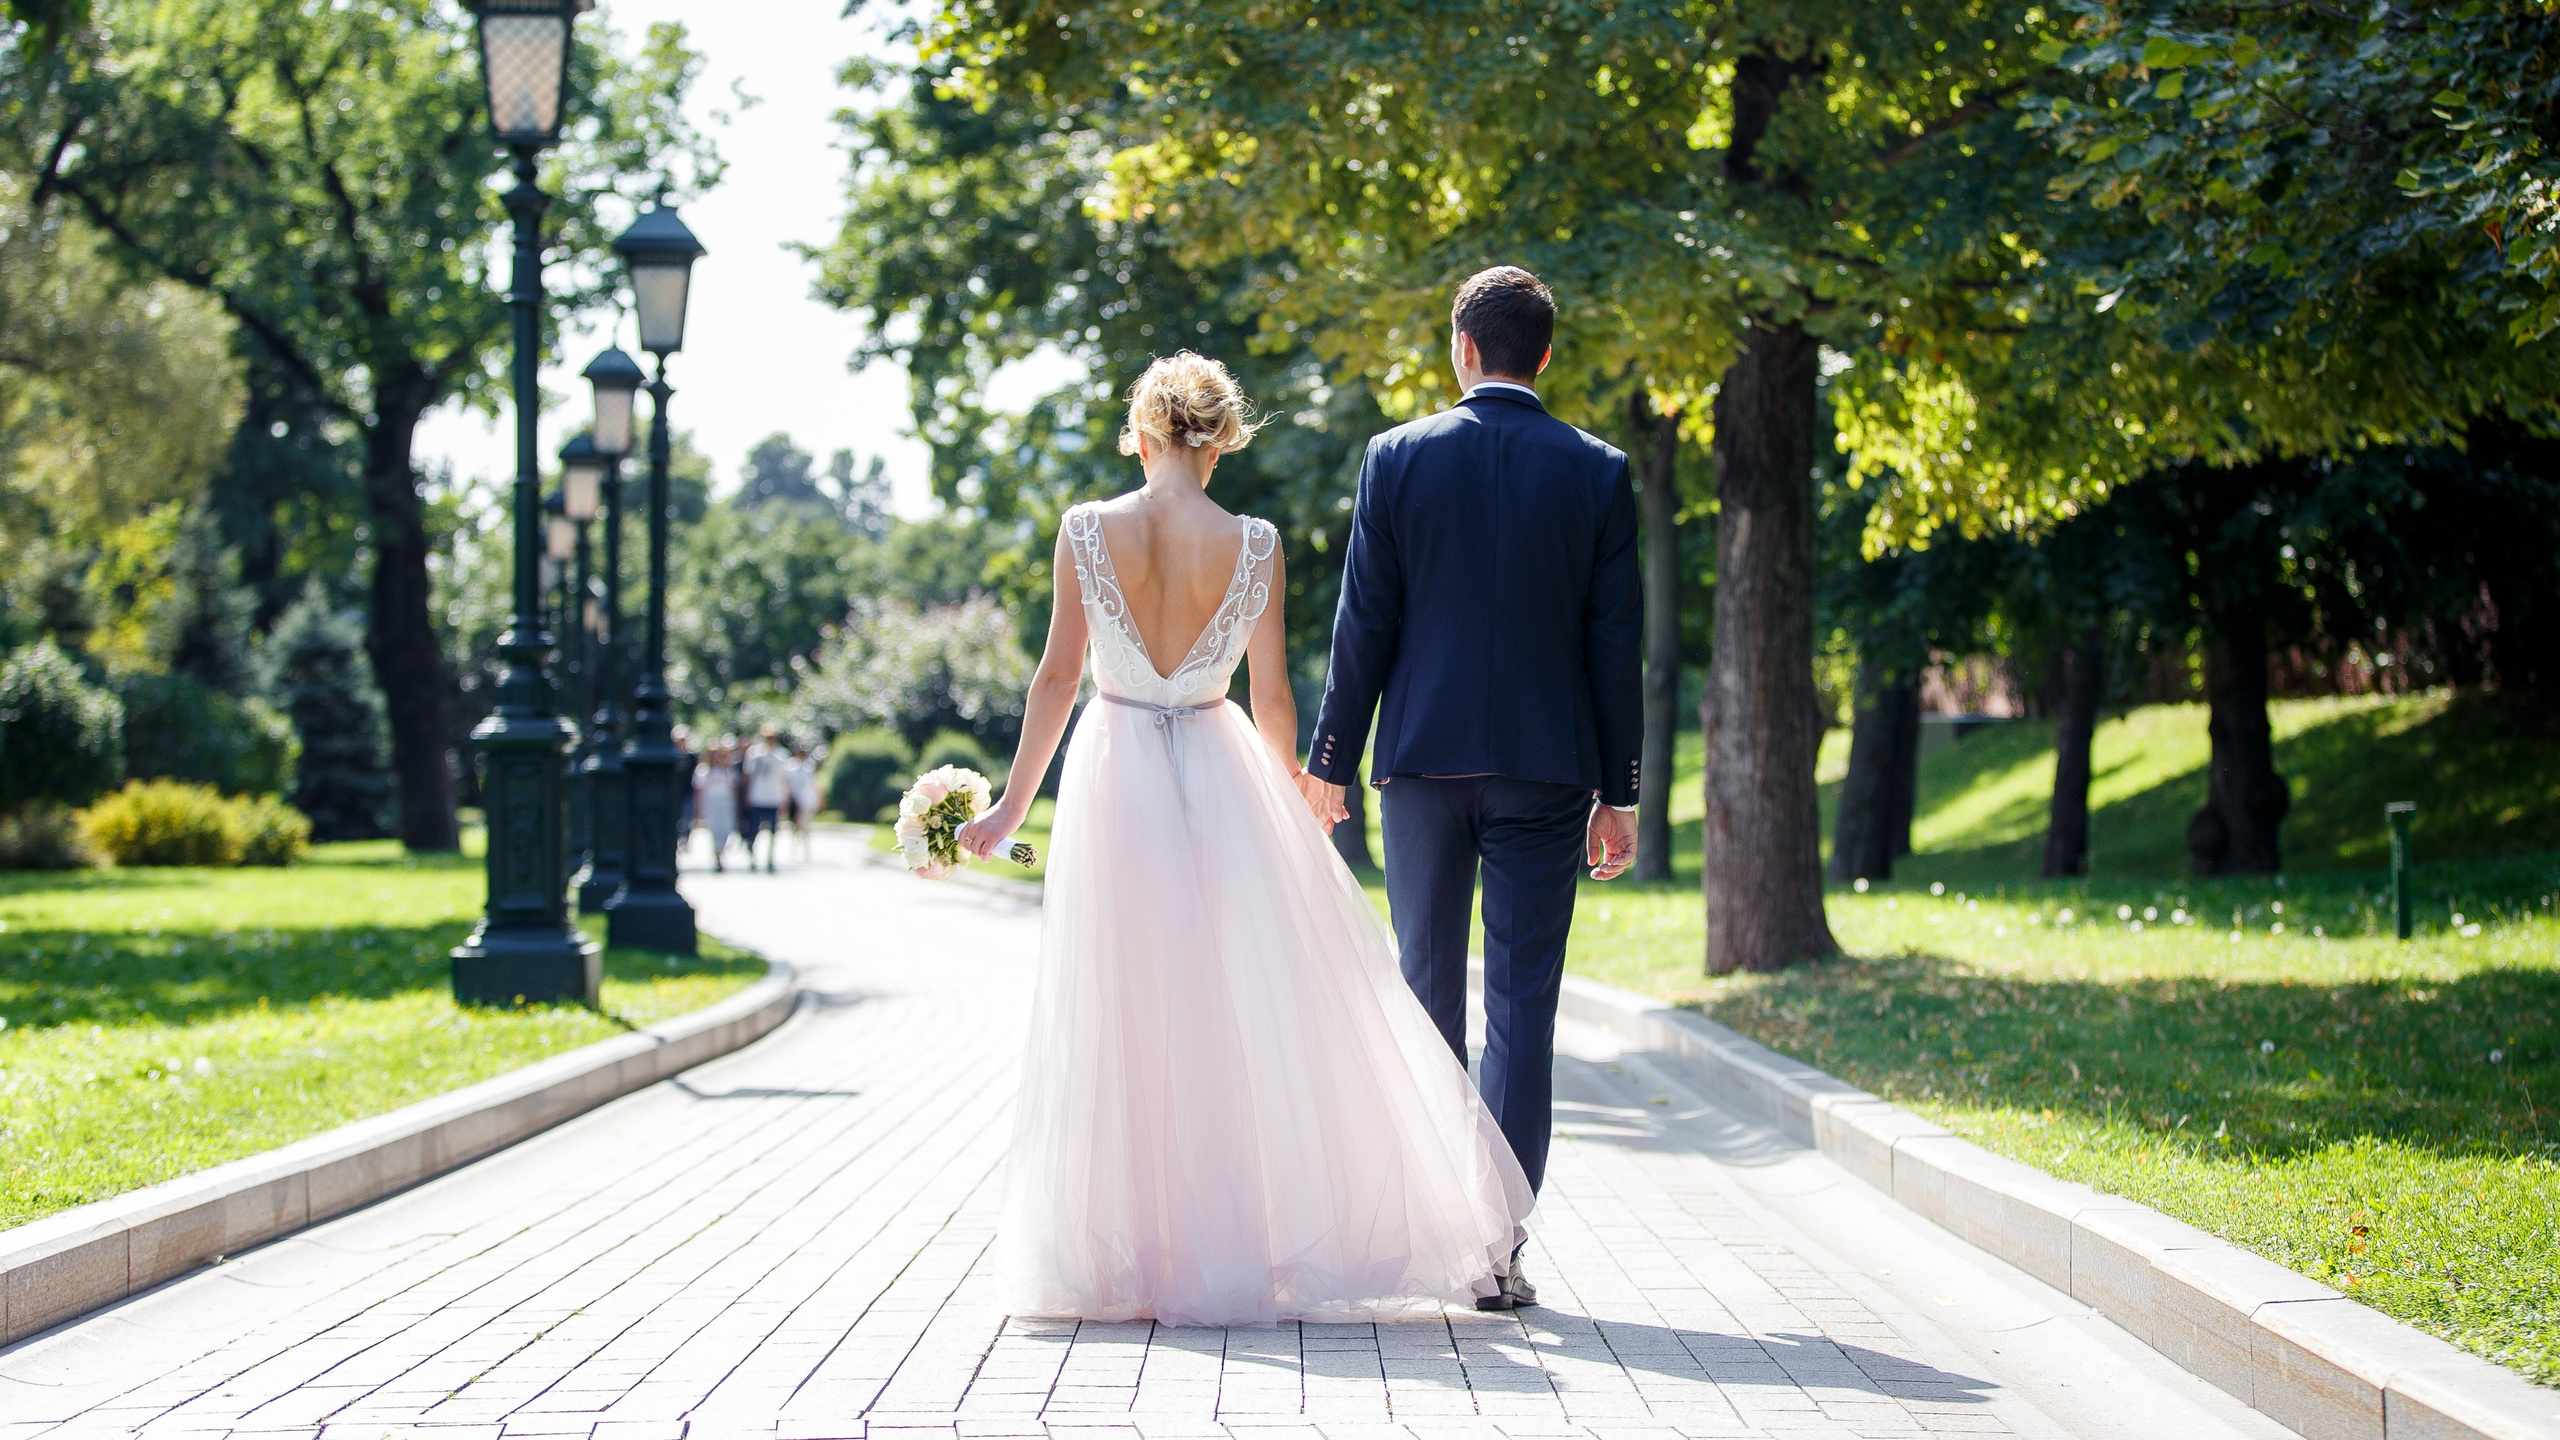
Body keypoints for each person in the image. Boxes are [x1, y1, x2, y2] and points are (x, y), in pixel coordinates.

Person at [958, 351, 1532, 1326]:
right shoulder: (1255, 543)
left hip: (1115, 773)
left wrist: (1009, 810)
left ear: (1141, 435)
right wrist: (1296, 800)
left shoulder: (1087, 530)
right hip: (1222, 770)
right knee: (1224, 1009)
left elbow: (1056, 679)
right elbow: (1271, 695)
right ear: (1218, 443)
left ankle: (1128, 1259)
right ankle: (1231, 1245)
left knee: (1120, 1006)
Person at [1302, 266, 1644, 1311]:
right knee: (1523, 1005)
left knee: (1423, 997)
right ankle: (1495, 1245)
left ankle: (1432, 1225)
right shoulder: (1597, 470)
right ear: (1543, 354)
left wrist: (1328, 762)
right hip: (1547, 771)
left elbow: (1365, 621)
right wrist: (1619, 792)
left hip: (1417, 765)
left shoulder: (1395, 457)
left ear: (1462, 348)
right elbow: (1612, 644)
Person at [741, 726, 788, 873]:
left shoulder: (781, 755)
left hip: (773, 797)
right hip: (757, 796)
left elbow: (783, 780)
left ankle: (770, 858)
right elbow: (747, 775)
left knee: (773, 831)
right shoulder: (755, 754)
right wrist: (746, 795)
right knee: (754, 829)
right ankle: (752, 857)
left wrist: (784, 800)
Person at [696, 738, 740, 872]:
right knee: (714, 830)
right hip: (711, 802)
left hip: (726, 802)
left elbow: (734, 789)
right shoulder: (703, 770)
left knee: (727, 828)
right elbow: (700, 791)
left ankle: (721, 850)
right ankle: (718, 856)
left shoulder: (728, 771)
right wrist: (699, 809)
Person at [785, 742, 820, 863]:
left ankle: (806, 850)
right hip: (794, 801)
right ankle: (794, 848)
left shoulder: (808, 767)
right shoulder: (790, 766)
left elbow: (813, 784)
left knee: (806, 826)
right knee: (796, 826)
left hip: (807, 801)